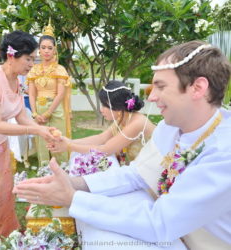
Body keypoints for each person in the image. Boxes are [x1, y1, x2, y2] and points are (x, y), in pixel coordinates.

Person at [13, 40, 231, 250]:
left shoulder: (224, 153)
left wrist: (72, 198)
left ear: (198, 88)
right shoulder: (171, 128)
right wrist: (74, 182)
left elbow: (161, 223)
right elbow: (135, 175)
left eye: (160, 86)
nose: (152, 97)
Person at [0, 30, 57, 250]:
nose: (32, 64)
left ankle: (4, 240)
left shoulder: (17, 80)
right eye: (29, 58)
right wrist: (34, 132)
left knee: (3, 197)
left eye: (33, 59)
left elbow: (21, 115)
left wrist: (42, 129)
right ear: (12, 56)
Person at [48, 80, 155, 166]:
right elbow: (101, 138)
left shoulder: (137, 123)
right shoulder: (123, 118)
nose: (101, 110)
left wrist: (70, 146)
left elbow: (105, 150)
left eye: (104, 105)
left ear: (117, 107)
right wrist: (69, 141)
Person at [26, 20, 71, 166]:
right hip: (38, 109)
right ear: (39, 49)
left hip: (55, 109)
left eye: (49, 48)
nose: (46, 51)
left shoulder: (60, 69)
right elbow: (31, 94)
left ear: (54, 50)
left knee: (58, 138)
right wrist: (35, 113)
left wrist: (48, 113)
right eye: (43, 47)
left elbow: (60, 94)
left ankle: (63, 168)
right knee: (42, 140)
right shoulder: (33, 70)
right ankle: (44, 169)